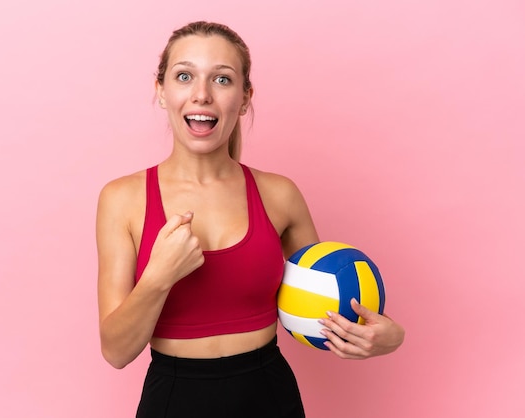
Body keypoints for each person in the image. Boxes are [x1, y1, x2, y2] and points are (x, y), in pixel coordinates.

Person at [96, 21, 405, 418]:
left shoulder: (280, 195)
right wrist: (159, 276)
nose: (202, 95)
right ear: (161, 92)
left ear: (244, 98)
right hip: (172, 398)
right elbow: (116, 352)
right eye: (184, 76)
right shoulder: (122, 199)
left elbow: (326, 300)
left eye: (222, 79)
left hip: (269, 395)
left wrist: (388, 335)